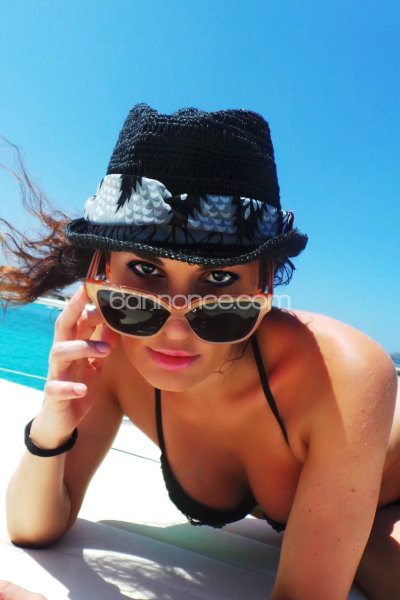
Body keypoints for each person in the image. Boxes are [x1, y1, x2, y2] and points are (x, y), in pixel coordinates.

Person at [1, 104, 398, 600]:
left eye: (219, 278)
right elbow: (33, 527)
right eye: (145, 272)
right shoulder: (112, 357)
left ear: (266, 285)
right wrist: (52, 423)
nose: (175, 327)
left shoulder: (342, 375)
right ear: (99, 272)